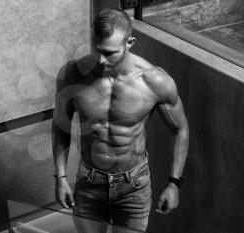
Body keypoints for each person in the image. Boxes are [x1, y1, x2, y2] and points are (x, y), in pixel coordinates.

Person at [52, 7, 189, 233]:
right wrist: (61, 176)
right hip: (89, 181)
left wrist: (174, 183)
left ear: (130, 42)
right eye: (97, 50)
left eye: (110, 52)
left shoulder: (155, 81)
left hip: (133, 186)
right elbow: (60, 126)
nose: (101, 60)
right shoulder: (72, 74)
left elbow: (180, 129)